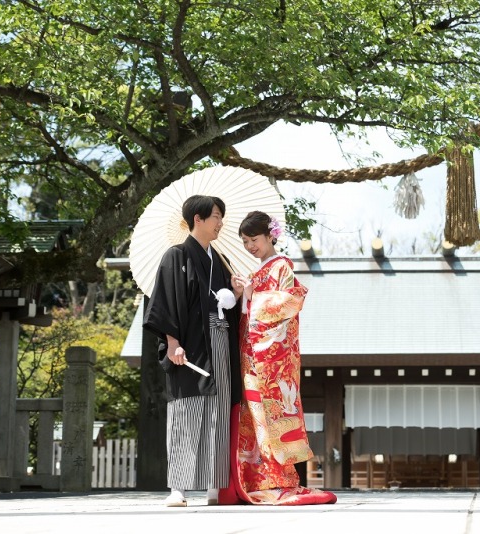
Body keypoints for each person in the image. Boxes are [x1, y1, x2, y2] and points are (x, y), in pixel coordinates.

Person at [223, 210, 337, 505]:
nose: (250, 246)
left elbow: (290, 303)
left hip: (273, 362)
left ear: (270, 235)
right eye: (245, 241)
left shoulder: (282, 265)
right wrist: (240, 295)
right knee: (253, 419)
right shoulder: (254, 272)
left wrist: (253, 296)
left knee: (272, 418)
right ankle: (255, 479)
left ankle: (279, 479)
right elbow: (246, 316)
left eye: (255, 239)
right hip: (250, 357)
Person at [143, 195, 242, 507]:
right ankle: (179, 488)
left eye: (221, 216)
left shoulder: (221, 259)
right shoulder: (176, 256)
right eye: (215, 216)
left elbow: (227, 308)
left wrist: (236, 295)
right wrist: (172, 341)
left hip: (221, 340)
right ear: (197, 218)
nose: (220, 222)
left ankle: (215, 486)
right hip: (190, 344)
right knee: (186, 409)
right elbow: (166, 301)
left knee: (219, 409)